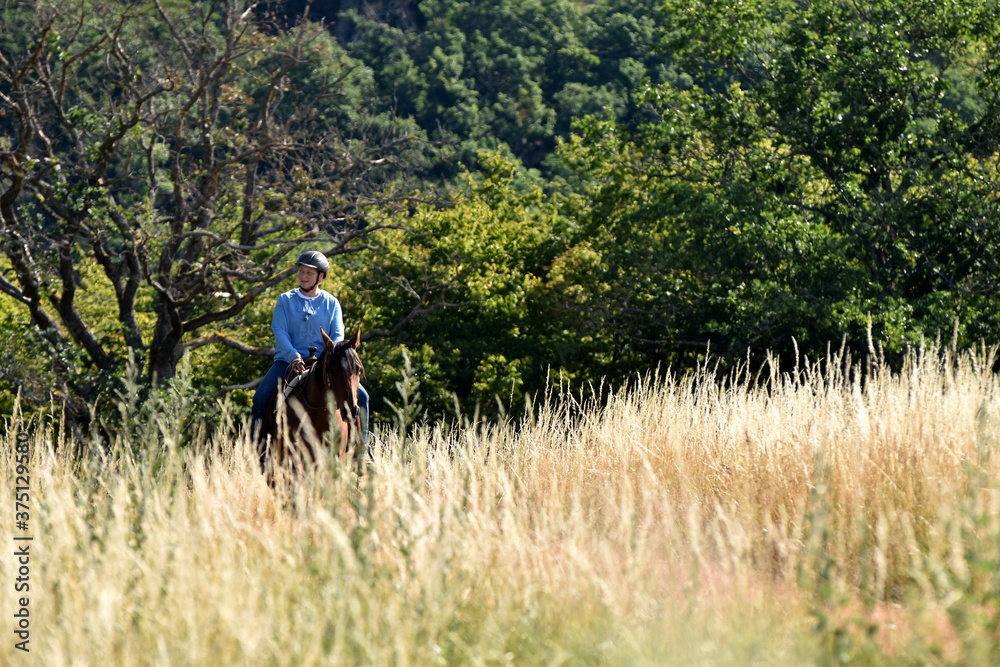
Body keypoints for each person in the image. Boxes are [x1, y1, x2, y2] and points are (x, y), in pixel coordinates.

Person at [251, 250, 369, 444]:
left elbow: (338, 335)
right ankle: (257, 451)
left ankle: (362, 450)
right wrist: (293, 356)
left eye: (309, 273)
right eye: (301, 271)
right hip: (287, 362)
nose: (303, 276)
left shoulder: (332, 303)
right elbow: (279, 331)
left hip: (326, 363)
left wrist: (326, 357)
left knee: (362, 397)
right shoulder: (285, 300)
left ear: (320, 276)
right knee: (261, 398)